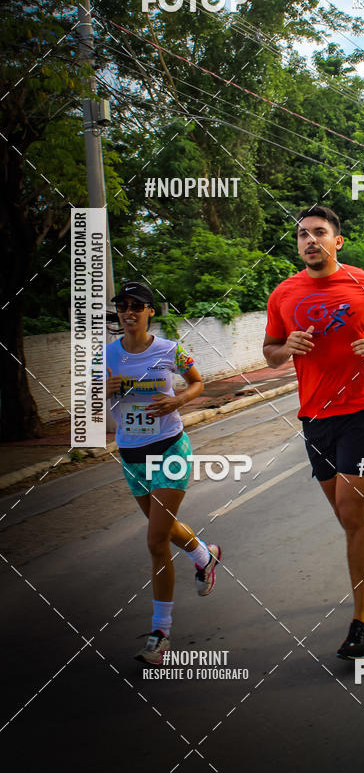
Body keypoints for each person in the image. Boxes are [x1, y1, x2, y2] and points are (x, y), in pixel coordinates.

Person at [263, 207, 364, 659]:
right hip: (314, 416)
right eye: (303, 235)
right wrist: (288, 348)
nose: (310, 241)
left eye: (319, 233)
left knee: (349, 507)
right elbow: (269, 353)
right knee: (349, 518)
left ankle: (360, 623)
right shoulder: (283, 293)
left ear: (337, 241)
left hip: (363, 407)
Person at [105, 281, 221, 665]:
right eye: (123, 305)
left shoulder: (171, 349)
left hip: (170, 448)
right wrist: (104, 387)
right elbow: (87, 399)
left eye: (137, 305)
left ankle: (160, 632)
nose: (129, 312)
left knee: (155, 541)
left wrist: (179, 400)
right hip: (131, 453)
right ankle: (205, 556)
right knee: (165, 528)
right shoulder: (107, 355)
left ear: (150, 311)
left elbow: (198, 382)